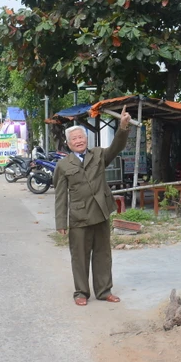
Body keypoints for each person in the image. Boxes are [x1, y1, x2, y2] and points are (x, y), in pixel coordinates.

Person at [55, 107, 131, 306]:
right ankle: (81, 292)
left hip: (100, 212)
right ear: (69, 144)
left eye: (81, 137)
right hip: (79, 217)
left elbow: (116, 147)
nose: (78, 141)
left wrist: (123, 127)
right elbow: (60, 196)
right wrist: (60, 222)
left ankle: (104, 291)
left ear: (86, 139)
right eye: (74, 139)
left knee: (103, 255)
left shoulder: (98, 155)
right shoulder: (63, 165)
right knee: (79, 257)